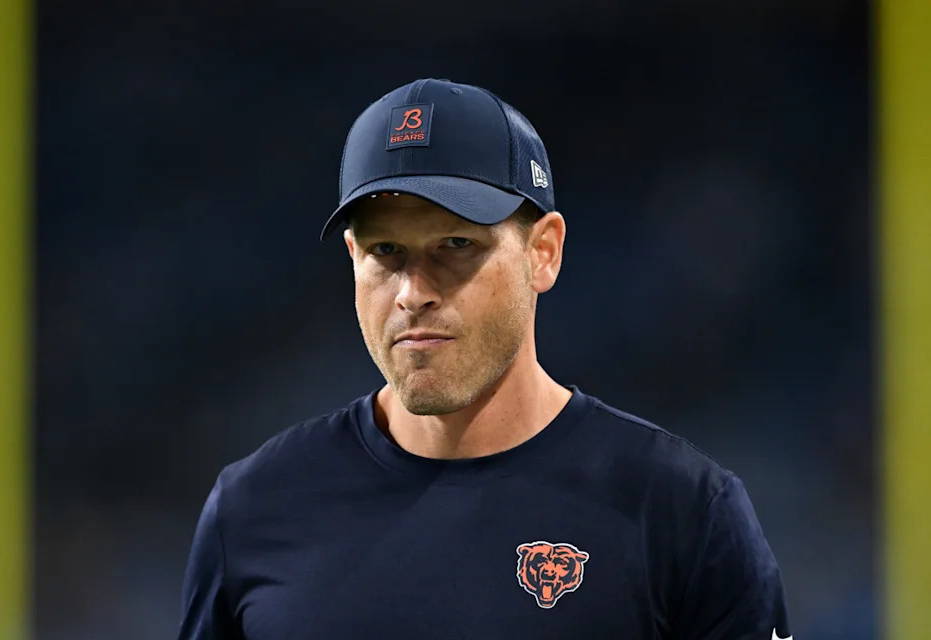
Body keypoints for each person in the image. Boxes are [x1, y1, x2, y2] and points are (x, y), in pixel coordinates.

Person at [177, 78, 792, 639]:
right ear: (352, 259)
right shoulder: (253, 509)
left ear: (543, 252)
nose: (413, 291)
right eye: (385, 250)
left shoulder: (681, 514)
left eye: (456, 243)